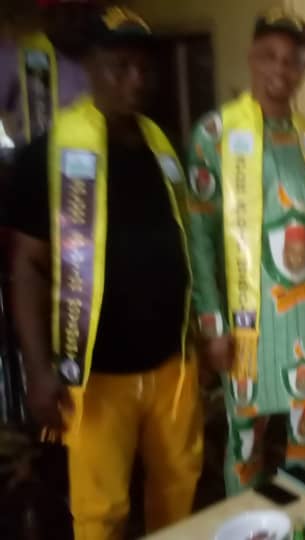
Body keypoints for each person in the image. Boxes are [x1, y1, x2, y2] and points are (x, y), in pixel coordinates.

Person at [8, 6, 201, 538]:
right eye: (120, 66)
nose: (135, 80)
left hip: (172, 366)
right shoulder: (47, 154)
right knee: (102, 510)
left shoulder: (164, 146)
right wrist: (37, 370)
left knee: (179, 487)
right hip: (96, 375)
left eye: (144, 68)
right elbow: (27, 265)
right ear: (90, 67)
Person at [186, 7, 305, 495]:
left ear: (304, 70)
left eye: (292, 61)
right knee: (246, 445)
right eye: (269, 56)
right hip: (251, 325)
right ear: (251, 57)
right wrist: (212, 325)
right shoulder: (215, 135)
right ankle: (249, 526)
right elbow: (200, 237)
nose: (280, 70)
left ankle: (301, 522)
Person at [0, 0, 96, 145]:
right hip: (31, 154)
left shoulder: (101, 60)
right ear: (48, 15)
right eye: (69, 11)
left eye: (86, 12)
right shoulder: (18, 55)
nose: (78, 20)